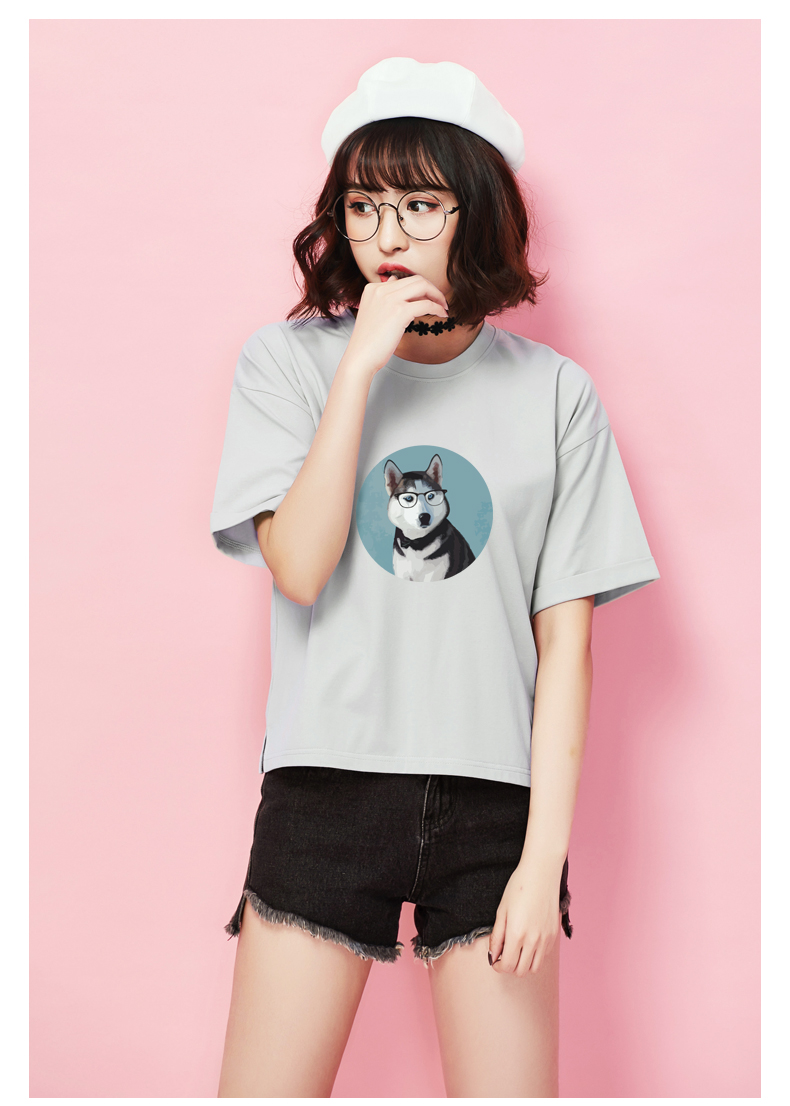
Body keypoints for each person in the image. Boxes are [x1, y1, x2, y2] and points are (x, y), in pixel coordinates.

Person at [211, 58, 659, 1098]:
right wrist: (359, 369)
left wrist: (541, 862)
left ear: (477, 212)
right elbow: (299, 566)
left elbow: (566, 646)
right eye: (364, 204)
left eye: (420, 204)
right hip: (325, 787)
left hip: (495, 809)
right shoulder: (285, 365)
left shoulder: (556, 394)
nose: (389, 233)